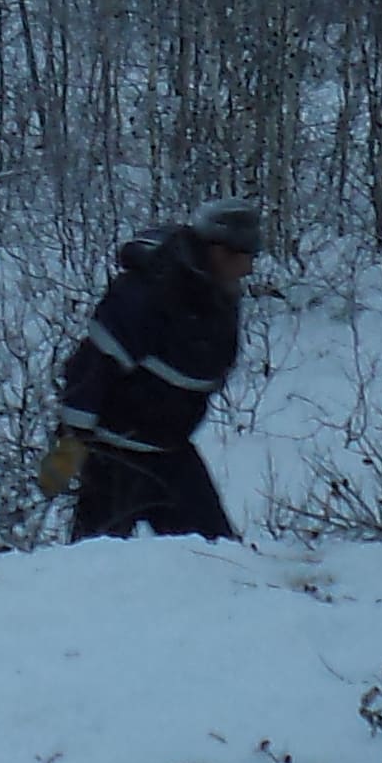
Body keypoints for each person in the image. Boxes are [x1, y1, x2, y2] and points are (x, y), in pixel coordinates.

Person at [38, 197, 262, 541]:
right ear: (218, 251)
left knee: (217, 557)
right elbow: (91, 368)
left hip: (172, 454)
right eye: (243, 257)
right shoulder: (148, 294)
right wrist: (70, 443)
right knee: (91, 563)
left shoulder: (218, 299)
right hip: (113, 457)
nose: (248, 269)